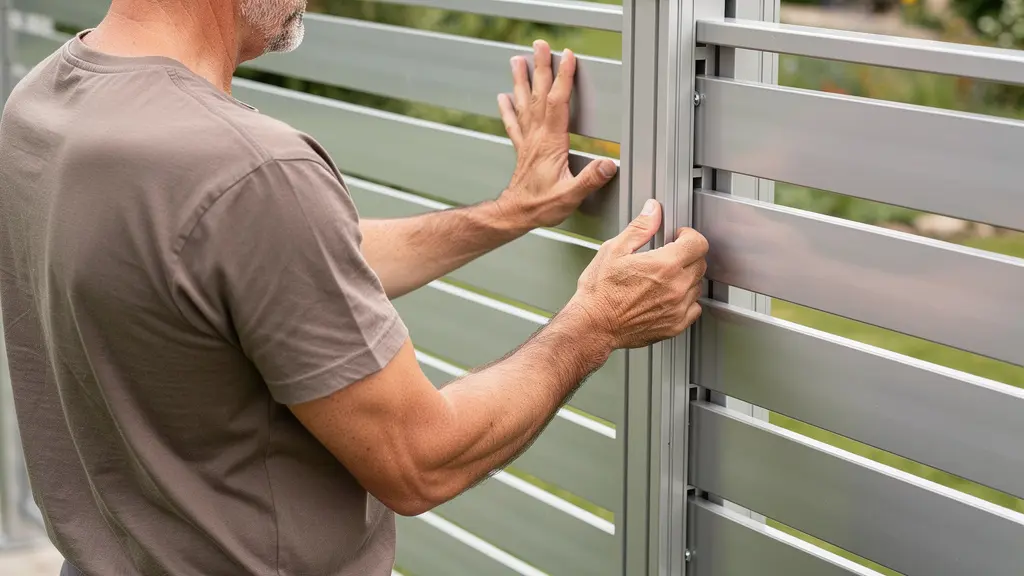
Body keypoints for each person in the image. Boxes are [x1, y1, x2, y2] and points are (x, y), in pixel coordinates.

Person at [0, 0, 709, 574]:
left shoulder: (44, 106)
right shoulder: (248, 168)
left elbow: (264, 265)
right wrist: (596, 322)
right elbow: (419, 460)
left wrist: (508, 214)